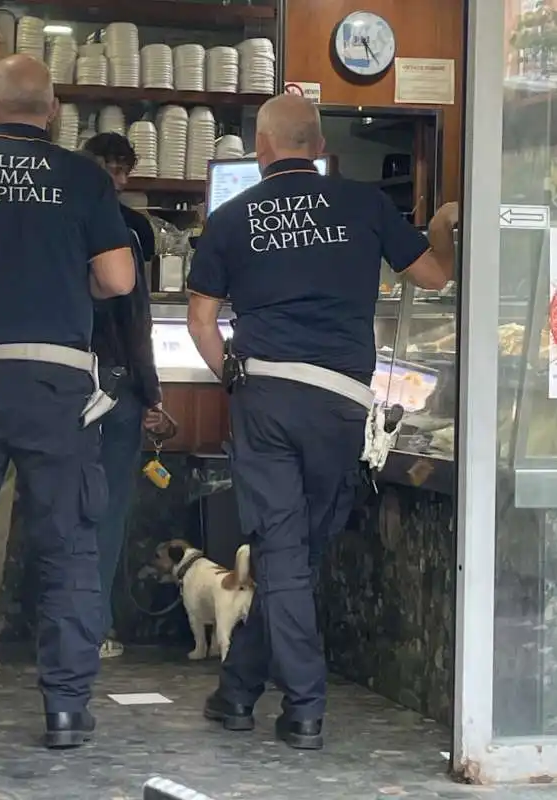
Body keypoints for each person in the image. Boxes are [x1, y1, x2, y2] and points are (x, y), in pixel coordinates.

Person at [186, 94, 457, 750]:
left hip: (267, 400)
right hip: (339, 401)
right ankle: (237, 694)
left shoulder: (229, 216)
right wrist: (445, 221)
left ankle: (301, 705)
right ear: (317, 148)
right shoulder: (365, 204)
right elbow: (435, 275)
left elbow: (199, 320)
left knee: (283, 554)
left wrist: (233, 375)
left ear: (261, 149)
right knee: (294, 554)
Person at [0, 54, 135, 751]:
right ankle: (63, 709)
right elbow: (117, 278)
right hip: (56, 383)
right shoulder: (83, 175)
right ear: (51, 112)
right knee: (68, 547)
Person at [82, 132, 164, 658]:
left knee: (66, 509)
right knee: (105, 512)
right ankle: (93, 628)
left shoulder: (58, 221)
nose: (115, 178)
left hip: (66, 381)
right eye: (109, 167)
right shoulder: (128, 230)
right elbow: (136, 318)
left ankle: (71, 626)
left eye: (119, 168)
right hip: (115, 387)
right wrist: (151, 390)